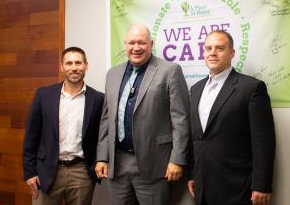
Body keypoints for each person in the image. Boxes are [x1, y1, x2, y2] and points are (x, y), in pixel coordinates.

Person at [95, 24, 190, 205]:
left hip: (155, 163)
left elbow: (181, 119)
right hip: (118, 163)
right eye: (131, 43)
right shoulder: (112, 74)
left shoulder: (170, 71)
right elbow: (106, 119)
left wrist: (177, 159)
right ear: (125, 44)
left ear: (151, 44)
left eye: (141, 43)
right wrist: (102, 156)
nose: (136, 47)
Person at [187, 30, 276, 205]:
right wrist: (193, 173)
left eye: (219, 48)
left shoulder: (251, 88)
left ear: (232, 53)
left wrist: (262, 184)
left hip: (237, 187)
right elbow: (197, 138)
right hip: (202, 184)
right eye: (208, 48)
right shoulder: (196, 89)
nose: (212, 53)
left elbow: (263, 142)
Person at [23, 47, 104, 205]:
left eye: (78, 63)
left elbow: (102, 136)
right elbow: (31, 136)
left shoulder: (98, 99)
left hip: (81, 173)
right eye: (69, 63)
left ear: (86, 66)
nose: (74, 67)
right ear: (62, 67)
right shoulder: (43, 95)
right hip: (46, 172)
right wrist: (30, 171)